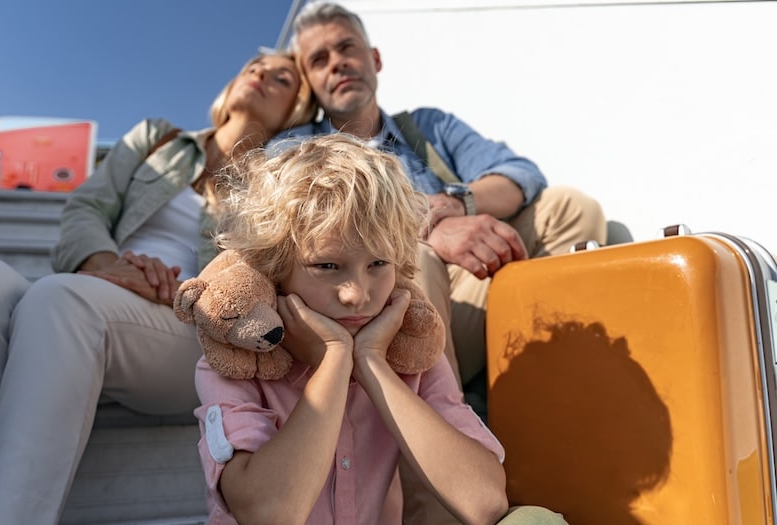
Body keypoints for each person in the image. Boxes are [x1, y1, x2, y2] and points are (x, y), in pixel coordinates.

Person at [0, 52, 315, 523]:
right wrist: (107, 264)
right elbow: (86, 207)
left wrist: (181, 289)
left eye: (281, 78)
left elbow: (271, 279)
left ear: (296, 109)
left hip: (191, 329)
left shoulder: (276, 184)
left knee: (60, 301)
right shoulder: (157, 139)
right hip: (102, 283)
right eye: (254, 67)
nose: (261, 74)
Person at [194, 133, 568, 525]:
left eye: (378, 264)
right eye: (326, 266)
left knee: (534, 522)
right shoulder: (236, 362)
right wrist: (334, 360)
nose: (357, 295)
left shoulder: (407, 350)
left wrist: (371, 361)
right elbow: (269, 514)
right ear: (274, 266)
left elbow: (484, 501)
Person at [278, 1, 608, 393]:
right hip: (372, 315)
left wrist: (453, 206)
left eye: (347, 47)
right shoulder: (294, 148)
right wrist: (425, 227)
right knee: (416, 258)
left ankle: (538, 393)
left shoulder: (429, 127)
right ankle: (444, 418)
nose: (337, 63)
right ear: (309, 82)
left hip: (464, 299)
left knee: (570, 208)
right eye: (319, 60)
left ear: (375, 59)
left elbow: (520, 174)